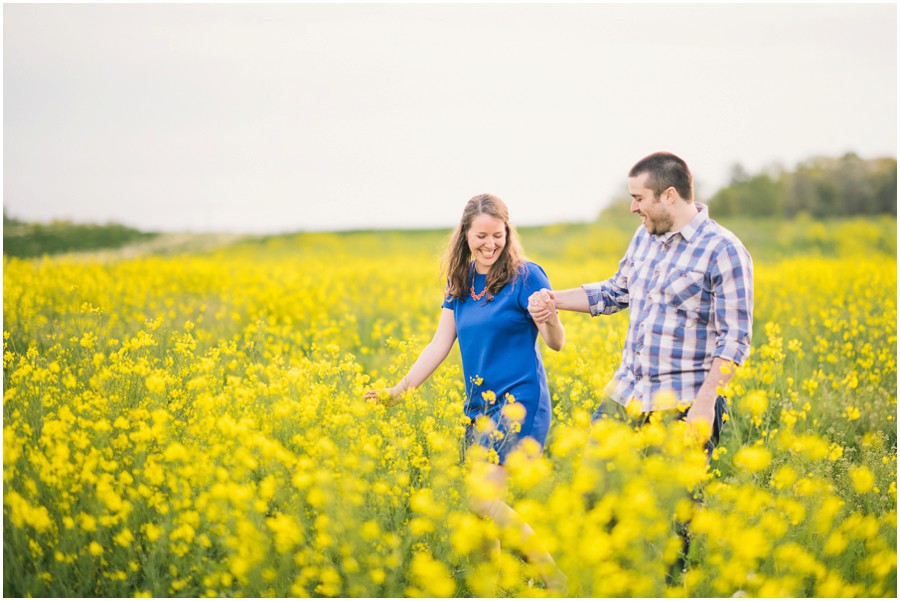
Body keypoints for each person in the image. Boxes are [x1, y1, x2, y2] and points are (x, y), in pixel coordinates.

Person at [528, 151, 754, 582]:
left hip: (683, 404)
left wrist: (706, 404)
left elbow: (735, 338)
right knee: (595, 495)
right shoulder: (645, 236)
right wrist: (555, 299)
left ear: (669, 195)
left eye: (638, 197)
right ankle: (613, 582)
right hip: (625, 392)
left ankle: (671, 587)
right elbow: (616, 292)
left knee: (676, 517)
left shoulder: (724, 251)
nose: (632, 207)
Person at [366, 193, 567, 592]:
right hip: (480, 406)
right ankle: (487, 588)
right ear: (465, 235)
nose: (489, 244)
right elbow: (439, 344)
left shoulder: (528, 276)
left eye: (497, 235)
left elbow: (556, 341)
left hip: (520, 402)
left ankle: (556, 579)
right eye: (481, 236)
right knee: (479, 514)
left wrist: (547, 321)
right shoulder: (459, 282)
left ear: (508, 233)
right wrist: (400, 390)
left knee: (481, 499)